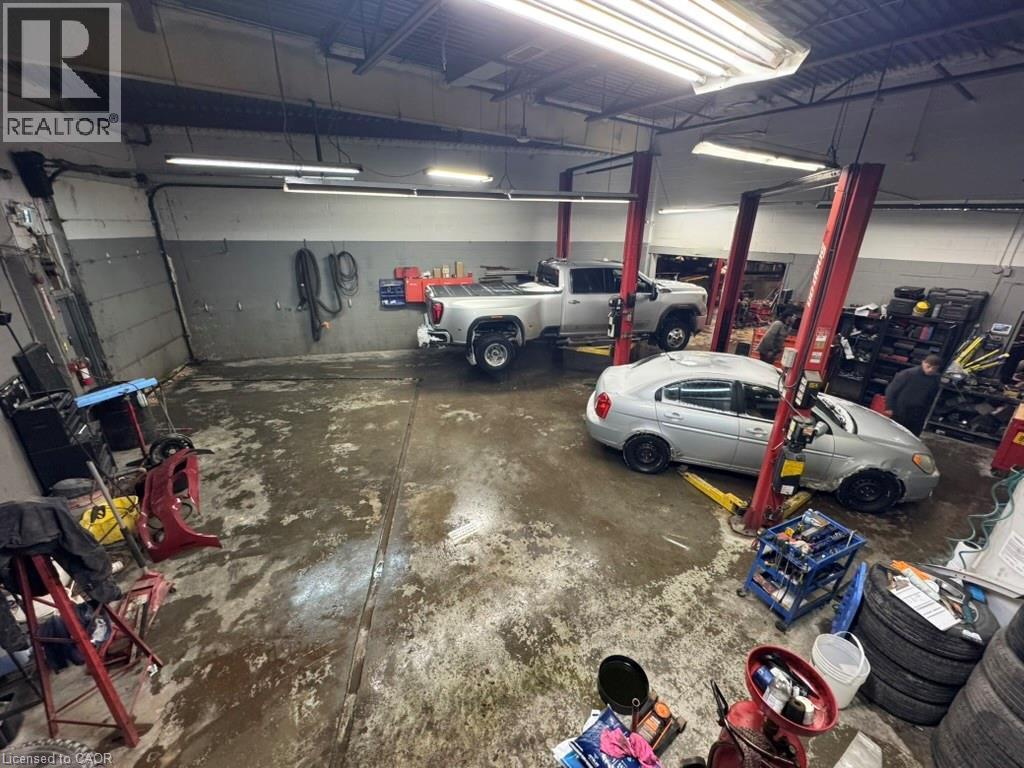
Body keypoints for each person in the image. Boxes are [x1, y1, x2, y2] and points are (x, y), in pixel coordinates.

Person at [884, 354, 942, 435]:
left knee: (912, 435)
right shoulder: (908, 374)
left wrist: (926, 413)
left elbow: (931, 397)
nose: (930, 370)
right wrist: (889, 407)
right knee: (895, 433)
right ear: (923, 363)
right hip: (900, 410)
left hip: (918, 413)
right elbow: (891, 390)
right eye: (928, 366)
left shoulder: (935, 379)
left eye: (934, 368)